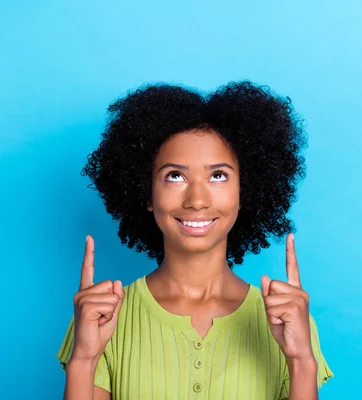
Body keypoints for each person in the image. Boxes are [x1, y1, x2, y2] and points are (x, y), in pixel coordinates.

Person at [56, 81, 334, 399]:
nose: (197, 200)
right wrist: (84, 360)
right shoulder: (100, 317)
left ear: (245, 192)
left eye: (218, 175)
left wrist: (301, 362)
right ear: (147, 192)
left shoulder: (289, 319)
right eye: (175, 175)